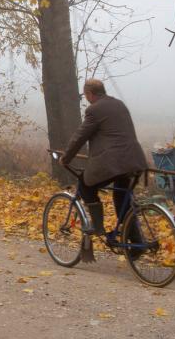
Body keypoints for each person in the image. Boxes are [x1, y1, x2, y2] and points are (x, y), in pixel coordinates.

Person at [59, 78, 147, 261]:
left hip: (114, 163)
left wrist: (66, 158)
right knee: (122, 198)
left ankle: (97, 227)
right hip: (134, 160)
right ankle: (136, 242)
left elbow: (80, 137)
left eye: (86, 95)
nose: (86, 99)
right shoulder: (119, 104)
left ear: (90, 94)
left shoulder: (94, 110)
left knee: (86, 185)